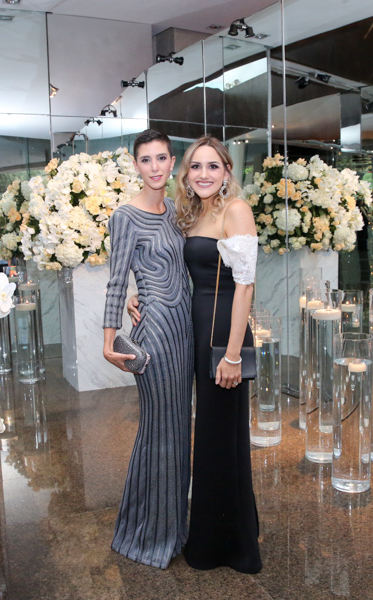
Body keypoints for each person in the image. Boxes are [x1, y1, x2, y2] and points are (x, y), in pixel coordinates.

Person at [102, 129, 193, 569]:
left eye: (161, 158)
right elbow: (117, 280)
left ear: (172, 162)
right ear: (135, 165)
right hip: (154, 332)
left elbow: (179, 268)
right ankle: (147, 534)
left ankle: (173, 529)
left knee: (179, 427)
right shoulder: (125, 216)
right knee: (159, 428)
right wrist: (109, 341)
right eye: (146, 159)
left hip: (185, 329)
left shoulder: (175, 210)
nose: (154, 167)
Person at [176, 135, 262, 573]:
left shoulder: (235, 210)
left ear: (227, 171)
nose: (204, 174)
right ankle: (223, 532)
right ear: (187, 174)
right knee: (212, 433)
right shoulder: (195, 212)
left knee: (220, 434)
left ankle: (227, 546)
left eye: (213, 166)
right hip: (198, 327)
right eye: (196, 166)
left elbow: (245, 286)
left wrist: (232, 355)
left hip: (224, 333)